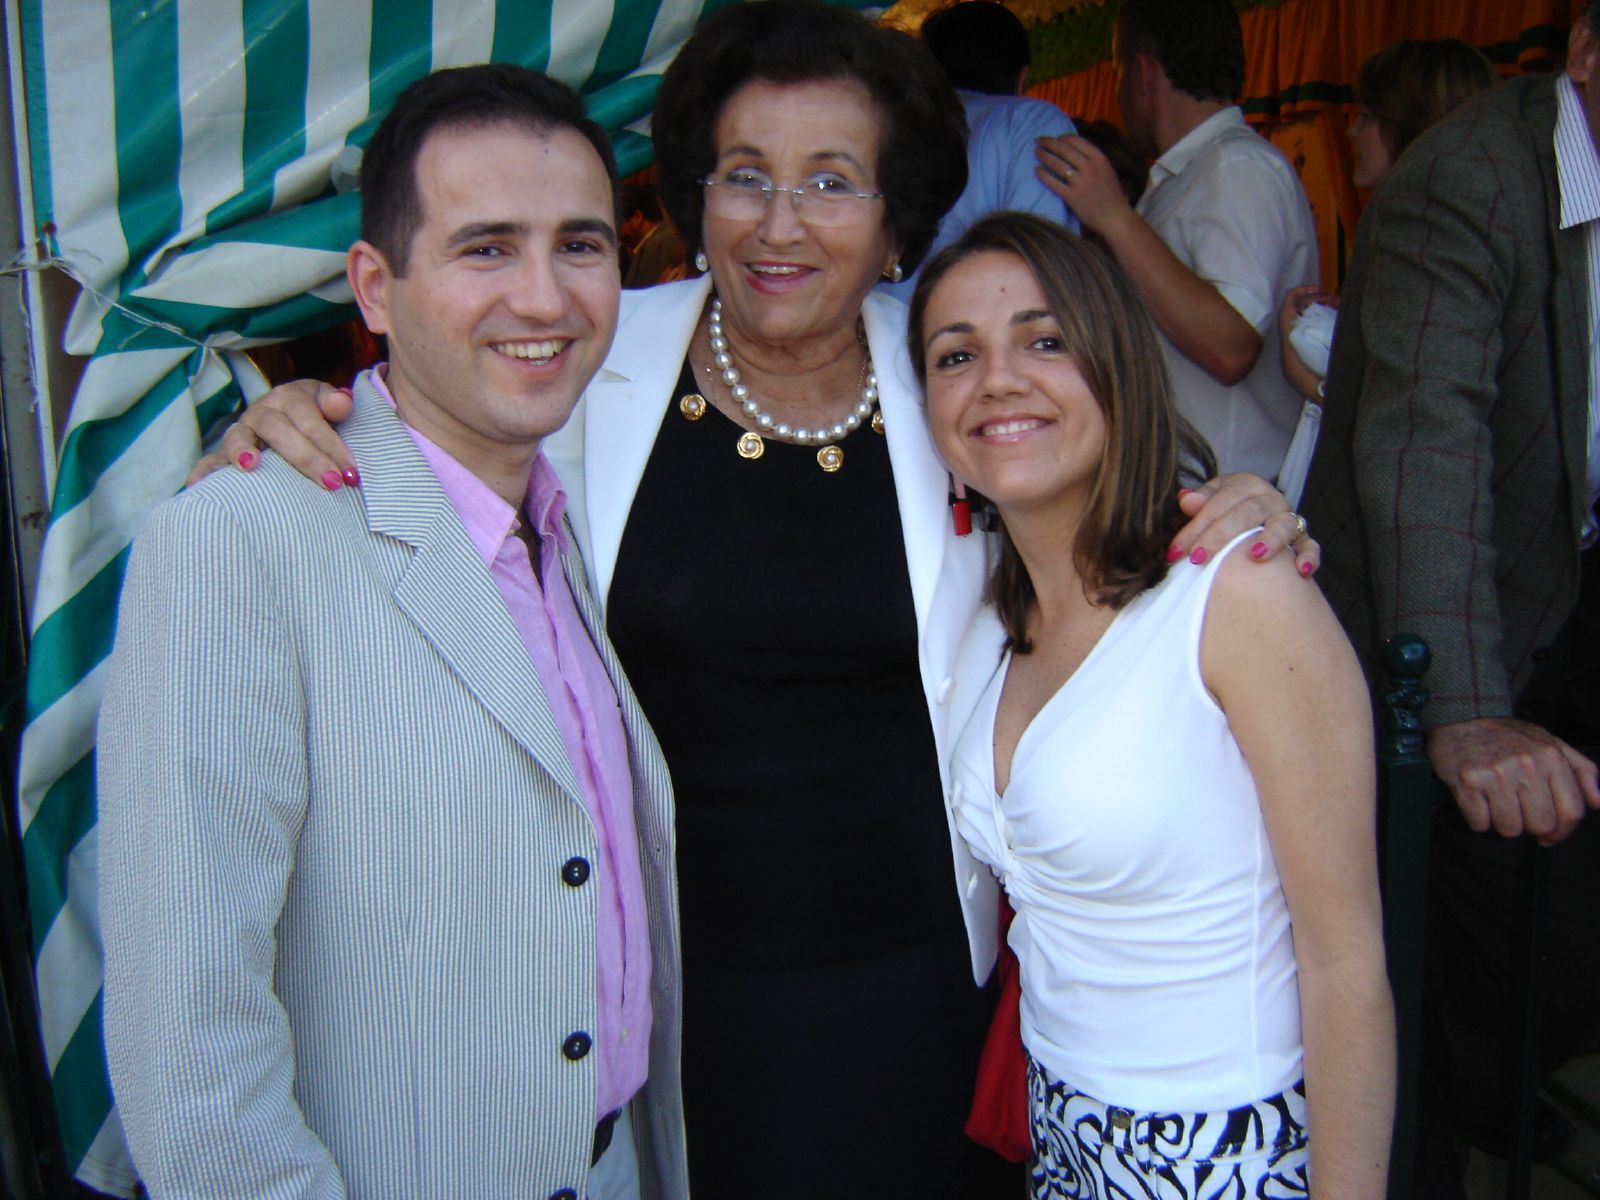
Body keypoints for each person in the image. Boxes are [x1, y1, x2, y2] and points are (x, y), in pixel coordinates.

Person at [196, 4, 1315, 1195]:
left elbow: (1123, 503)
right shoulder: (588, 358)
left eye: (831, 182)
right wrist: (289, 418)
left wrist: (1248, 503)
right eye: (745, 177)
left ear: (894, 222)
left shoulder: (955, 379)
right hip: (672, 983)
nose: (780, 224)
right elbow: (434, 411)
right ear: (694, 196)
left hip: (920, 968)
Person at [96, 65, 687, 1200]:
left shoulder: (569, 507)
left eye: (581, 244)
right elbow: (190, 1046)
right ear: (374, 285)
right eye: (484, 248)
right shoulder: (241, 542)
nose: (545, 298)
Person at [915, 212, 1393, 1199]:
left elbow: (1344, 961)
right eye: (955, 354)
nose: (998, 378)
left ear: (1115, 365)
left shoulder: (1236, 593)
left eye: (1044, 341)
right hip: (1060, 1129)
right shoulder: (979, 606)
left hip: (1226, 1149)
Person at [1302, 7, 1600, 1192]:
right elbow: (1426, 449)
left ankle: (1491, 1081)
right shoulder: (1468, 181)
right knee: (1420, 940)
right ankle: (1434, 1125)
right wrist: (1467, 711)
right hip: (1419, 624)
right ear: (1585, 49)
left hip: (1565, 586)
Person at [1034, 0, 1317, 482]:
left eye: (1118, 70)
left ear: (1143, 72)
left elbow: (1229, 348)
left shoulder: (1238, 169)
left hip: (1230, 497)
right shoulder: (1188, 175)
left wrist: (1114, 217)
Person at [1274, 38, 1497, 504]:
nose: (1352, 132)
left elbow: (1407, 407)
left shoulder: (1423, 234)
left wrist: (1304, 375)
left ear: (1413, 124)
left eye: (1368, 117)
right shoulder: (1463, 226)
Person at [879, 0, 1078, 302]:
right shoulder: (1029, 124)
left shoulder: (889, 125)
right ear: (1022, 77)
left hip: (873, 334)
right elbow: (1045, 270)